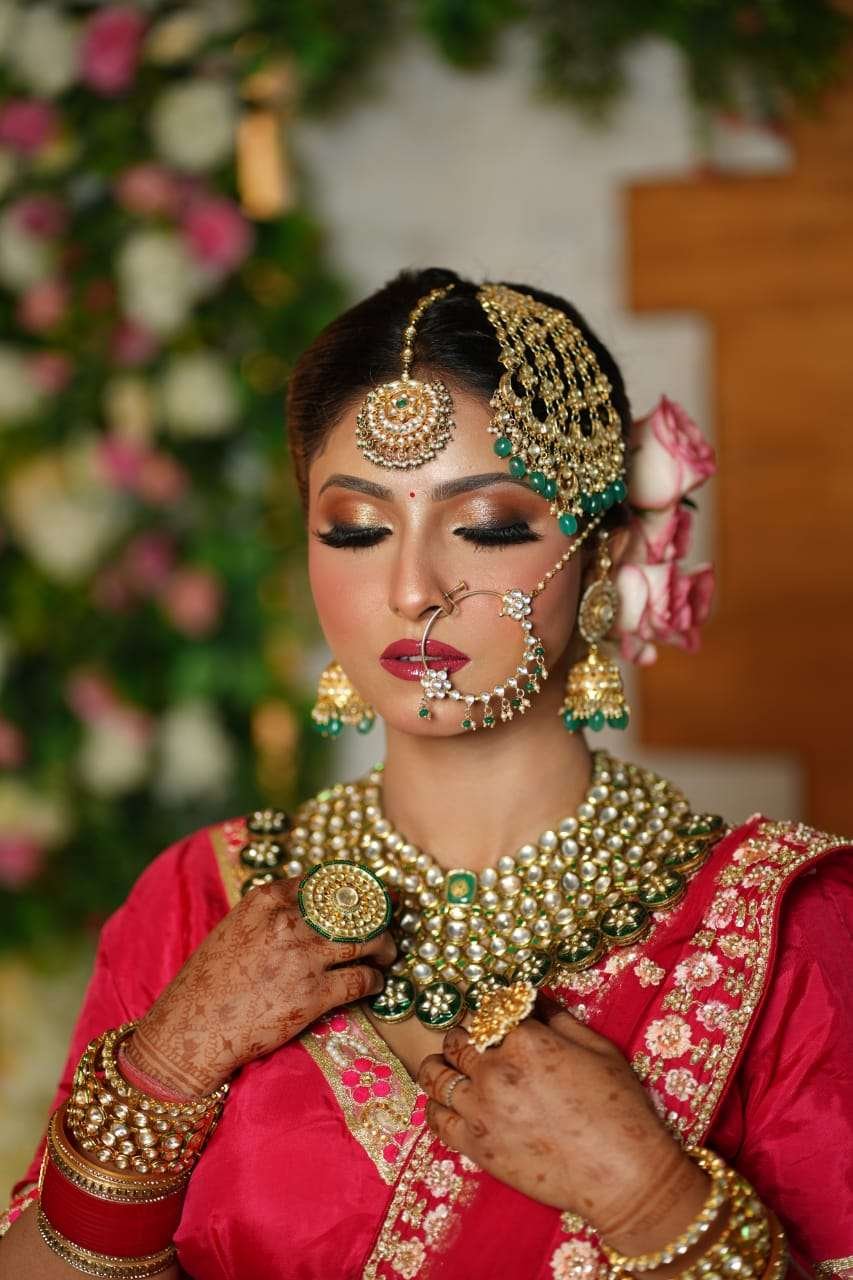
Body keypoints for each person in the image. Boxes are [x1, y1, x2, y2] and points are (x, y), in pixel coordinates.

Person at [1, 268, 851, 1280]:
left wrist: (647, 1196)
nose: (412, 589)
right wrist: (167, 1068)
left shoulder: (785, 926)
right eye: (356, 530)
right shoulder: (204, 898)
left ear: (604, 551)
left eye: (486, 525)